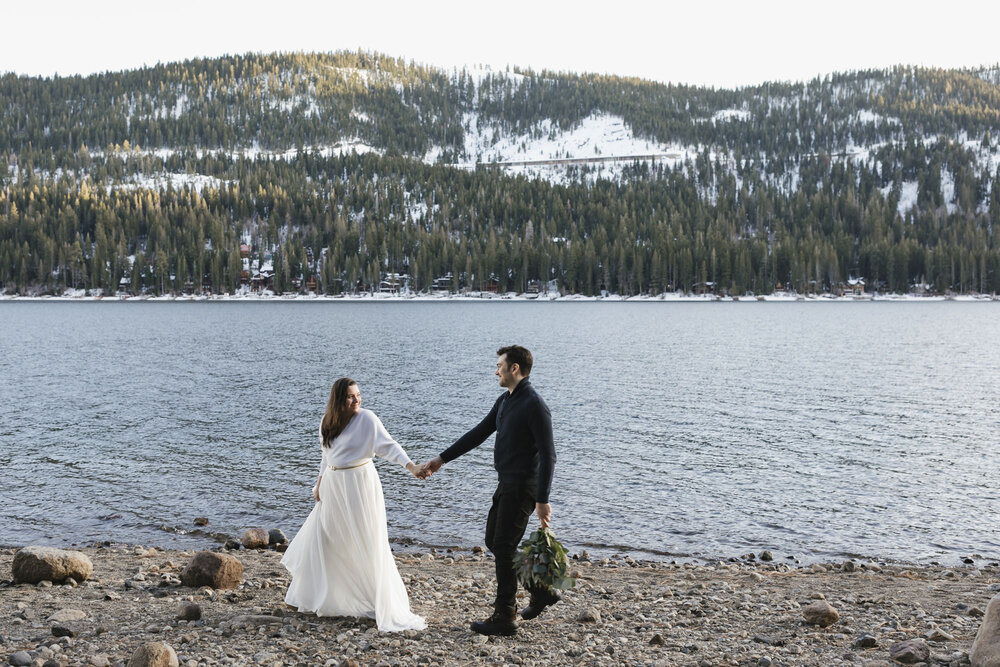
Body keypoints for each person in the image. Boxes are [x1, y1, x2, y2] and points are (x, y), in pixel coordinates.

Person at [420, 345, 559, 636]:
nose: (495, 370)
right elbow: (478, 433)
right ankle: (540, 590)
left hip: (523, 487)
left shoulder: (534, 404)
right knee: (496, 543)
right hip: (506, 483)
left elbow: (549, 455)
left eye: (499, 365)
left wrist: (542, 500)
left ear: (514, 369)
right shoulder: (505, 401)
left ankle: (505, 614)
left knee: (504, 545)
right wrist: (441, 459)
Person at [281, 378, 427, 632]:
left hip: (359, 484)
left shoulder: (367, 419)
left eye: (358, 394)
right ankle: (314, 596)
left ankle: (372, 598)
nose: (357, 399)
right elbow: (326, 456)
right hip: (333, 486)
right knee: (326, 539)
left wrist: (411, 466)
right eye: (350, 396)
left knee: (364, 540)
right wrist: (318, 483)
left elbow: (389, 446)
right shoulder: (327, 422)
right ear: (338, 400)